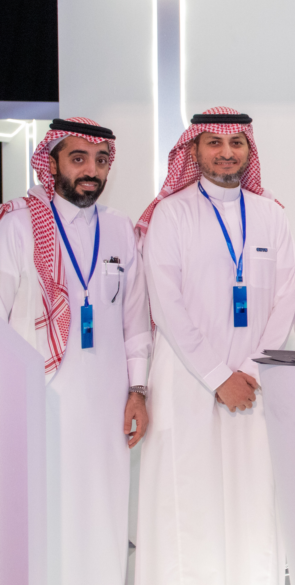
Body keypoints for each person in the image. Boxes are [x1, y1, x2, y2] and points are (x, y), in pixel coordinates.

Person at [134, 108, 295, 585]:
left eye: (236, 143)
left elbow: (286, 298)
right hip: (187, 381)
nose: (227, 153)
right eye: (214, 143)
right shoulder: (172, 213)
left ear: (249, 150)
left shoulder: (271, 214)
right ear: (195, 150)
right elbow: (166, 305)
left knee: (252, 496)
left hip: (253, 384)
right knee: (188, 497)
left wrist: (248, 370)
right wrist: (218, 376)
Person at [0, 117, 150, 585]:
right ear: (52, 163)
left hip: (108, 401)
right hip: (39, 398)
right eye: (78, 159)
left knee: (102, 510)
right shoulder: (19, 225)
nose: (91, 171)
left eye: (101, 161)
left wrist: (139, 390)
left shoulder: (120, 228)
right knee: (44, 506)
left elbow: (135, 319)